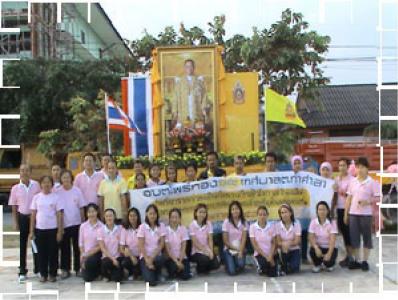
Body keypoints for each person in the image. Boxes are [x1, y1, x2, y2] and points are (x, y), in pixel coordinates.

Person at [344, 157, 380, 271]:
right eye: (358, 167)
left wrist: (367, 202)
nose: (360, 169)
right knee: (354, 238)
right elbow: (348, 199)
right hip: (353, 214)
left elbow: (379, 197)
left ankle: (365, 261)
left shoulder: (372, 182)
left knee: (366, 238)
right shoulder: (352, 182)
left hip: (366, 214)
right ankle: (357, 260)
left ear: (367, 168)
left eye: (363, 167)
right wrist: (346, 214)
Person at [8, 164, 41, 283]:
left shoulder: (36, 185)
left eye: (27, 170)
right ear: (19, 172)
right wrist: (15, 222)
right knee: (23, 245)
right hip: (22, 218)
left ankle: (38, 269)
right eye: (22, 170)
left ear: (30, 172)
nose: (24, 172)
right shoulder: (15, 188)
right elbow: (14, 207)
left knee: (36, 245)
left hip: (35, 218)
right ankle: (22, 270)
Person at [29, 176, 64, 282]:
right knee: (41, 253)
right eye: (44, 182)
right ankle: (43, 274)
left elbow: (59, 215)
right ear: (41, 185)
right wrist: (31, 231)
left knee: (53, 252)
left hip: (53, 229)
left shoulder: (56, 197)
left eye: (48, 182)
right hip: (40, 229)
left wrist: (59, 231)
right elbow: (33, 215)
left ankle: (52, 274)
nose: (46, 184)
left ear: (52, 185)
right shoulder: (36, 197)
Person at [57, 169, 86, 279]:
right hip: (64, 224)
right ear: (61, 179)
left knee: (77, 248)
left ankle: (78, 268)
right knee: (65, 248)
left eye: (68, 177)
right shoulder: (57, 192)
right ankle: (65, 269)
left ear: (71, 178)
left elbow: (82, 208)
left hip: (77, 223)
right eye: (63, 177)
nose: (66, 179)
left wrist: (83, 224)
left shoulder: (77, 191)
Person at [172, 59, 209, 125]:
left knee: (197, 130)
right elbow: (175, 97)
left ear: (194, 67)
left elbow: (204, 96)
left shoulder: (199, 81)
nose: (189, 68)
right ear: (184, 68)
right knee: (184, 129)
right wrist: (175, 111)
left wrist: (203, 108)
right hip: (183, 111)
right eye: (187, 66)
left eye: (191, 66)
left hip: (196, 111)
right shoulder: (179, 82)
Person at [332, 158, 354, 267]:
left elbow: (351, 196)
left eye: (344, 165)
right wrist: (333, 209)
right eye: (340, 165)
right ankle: (348, 256)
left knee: (349, 233)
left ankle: (352, 257)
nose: (342, 167)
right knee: (344, 234)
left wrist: (347, 212)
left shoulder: (351, 180)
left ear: (348, 166)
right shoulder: (337, 179)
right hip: (339, 209)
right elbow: (335, 195)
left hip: (348, 209)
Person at [137, 204, 166, 286]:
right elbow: (141, 245)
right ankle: (150, 271)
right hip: (145, 257)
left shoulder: (161, 226)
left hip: (156, 256)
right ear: (146, 214)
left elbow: (161, 244)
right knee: (151, 283)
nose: (152, 216)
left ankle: (157, 272)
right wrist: (147, 260)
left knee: (160, 259)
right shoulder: (142, 227)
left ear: (157, 214)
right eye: (150, 213)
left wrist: (152, 258)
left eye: (154, 213)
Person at [189, 203, 220, 274]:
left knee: (216, 264)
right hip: (196, 252)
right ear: (196, 213)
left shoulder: (208, 224)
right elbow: (195, 242)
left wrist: (211, 251)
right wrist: (205, 251)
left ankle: (204, 268)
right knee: (205, 259)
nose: (202, 214)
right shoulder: (192, 225)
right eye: (200, 212)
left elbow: (210, 240)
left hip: (207, 249)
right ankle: (200, 269)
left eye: (204, 212)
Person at [308, 201, 338, 273]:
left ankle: (328, 264)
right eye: (319, 209)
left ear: (327, 211)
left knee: (328, 264)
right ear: (317, 211)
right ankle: (318, 265)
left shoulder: (332, 222)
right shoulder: (313, 222)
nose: (321, 212)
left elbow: (332, 240)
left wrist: (329, 253)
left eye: (324, 209)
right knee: (312, 250)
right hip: (319, 247)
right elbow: (311, 237)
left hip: (329, 247)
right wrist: (316, 247)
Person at [290, 155, 309, 263]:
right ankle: (295, 256)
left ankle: (304, 256)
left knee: (304, 233)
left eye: (299, 163)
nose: (297, 165)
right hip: (293, 210)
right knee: (294, 233)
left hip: (304, 209)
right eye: (295, 163)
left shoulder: (308, 177)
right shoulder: (287, 178)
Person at [249, 206, 277, 277]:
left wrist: (270, 256)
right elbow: (255, 245)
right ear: (257, 215)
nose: (262, 216)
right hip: (260, 254)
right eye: (260, 214)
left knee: (273, 274)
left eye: (264, 214)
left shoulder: (271, 226)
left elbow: (274, 243)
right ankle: (259, 266)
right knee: (265, 266)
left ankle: (271, 266)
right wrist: (266, 256)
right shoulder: (252, 227)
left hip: (271, 253)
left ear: (267, 215)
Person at [165, 208, 191, 280]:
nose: (174, 220)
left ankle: (180, 271)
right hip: (171, 258)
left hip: (182, 257)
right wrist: (177, 262)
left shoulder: (183, 229)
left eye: (176, 217)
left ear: (180, 218)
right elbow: (168, 249)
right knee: (173, 268)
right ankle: (174, 272)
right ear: (169, 218)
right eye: (172, 217)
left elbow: (183, 247)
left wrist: (180, 261)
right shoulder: (166, 230)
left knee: (186, 276)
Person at [222, 201, 247, 276]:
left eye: (237, 208)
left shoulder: (244, 222)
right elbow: (225, 241)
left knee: (241, 264)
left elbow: (244, 239)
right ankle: (228, 263)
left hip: (240, 249)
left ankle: (235, 262)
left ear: (240, 210)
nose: (235, 211)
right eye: (233, 209)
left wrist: (240, 251)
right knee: (232, 272)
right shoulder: (226, 222)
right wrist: (236, 249)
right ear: (230, 211)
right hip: (229, 249)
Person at [97, 208, 123, 282]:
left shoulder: (120, 228)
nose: (109, 218)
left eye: (111, 216)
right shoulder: (100, 230)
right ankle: (106, 275)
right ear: (104, 218)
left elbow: (121, 245)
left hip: (118, 257)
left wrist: (116, 258)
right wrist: (113, 259)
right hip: (107, 258)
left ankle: (115, 273)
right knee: (106, 263)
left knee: (118, 279)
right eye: (107, 216)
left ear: (114, 217)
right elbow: (103, 248)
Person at [79, 203, 103, 282]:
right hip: (85, 254)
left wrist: (88, 255)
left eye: (93, 211)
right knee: (87, 278)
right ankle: (94, 272)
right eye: (89, 212)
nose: (91, 214)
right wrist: (83, 255)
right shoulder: (83, 226)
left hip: (97, 254)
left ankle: (98, 271)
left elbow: (101, 245)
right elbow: (81, 243)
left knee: (90, 262)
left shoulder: (102, 226)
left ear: (97, 212)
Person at [275, 204, 301, 275]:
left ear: (290, 213)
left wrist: (288, 243)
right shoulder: (277, 225)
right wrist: (284, 244)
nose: (284, 214)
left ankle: (285, 267)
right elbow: (278, 241)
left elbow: (297, 241)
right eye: (282, 213)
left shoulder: (296, 223)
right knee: (284, 248)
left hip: (294, 249)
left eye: (286, 212)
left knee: (295, 268)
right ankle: (284, 266)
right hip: (283, 250)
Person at [120, 207, 141, 281]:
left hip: (141, 256)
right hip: (130, 257)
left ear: (138, 217)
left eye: (134, 215)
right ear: (128, 217)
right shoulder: (124, 229)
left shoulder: (142, 228)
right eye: (131, 216)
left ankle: (138, 273)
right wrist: (130, 255)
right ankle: (132, 273)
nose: (133, 218)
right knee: (125, 262)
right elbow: (121, 249)